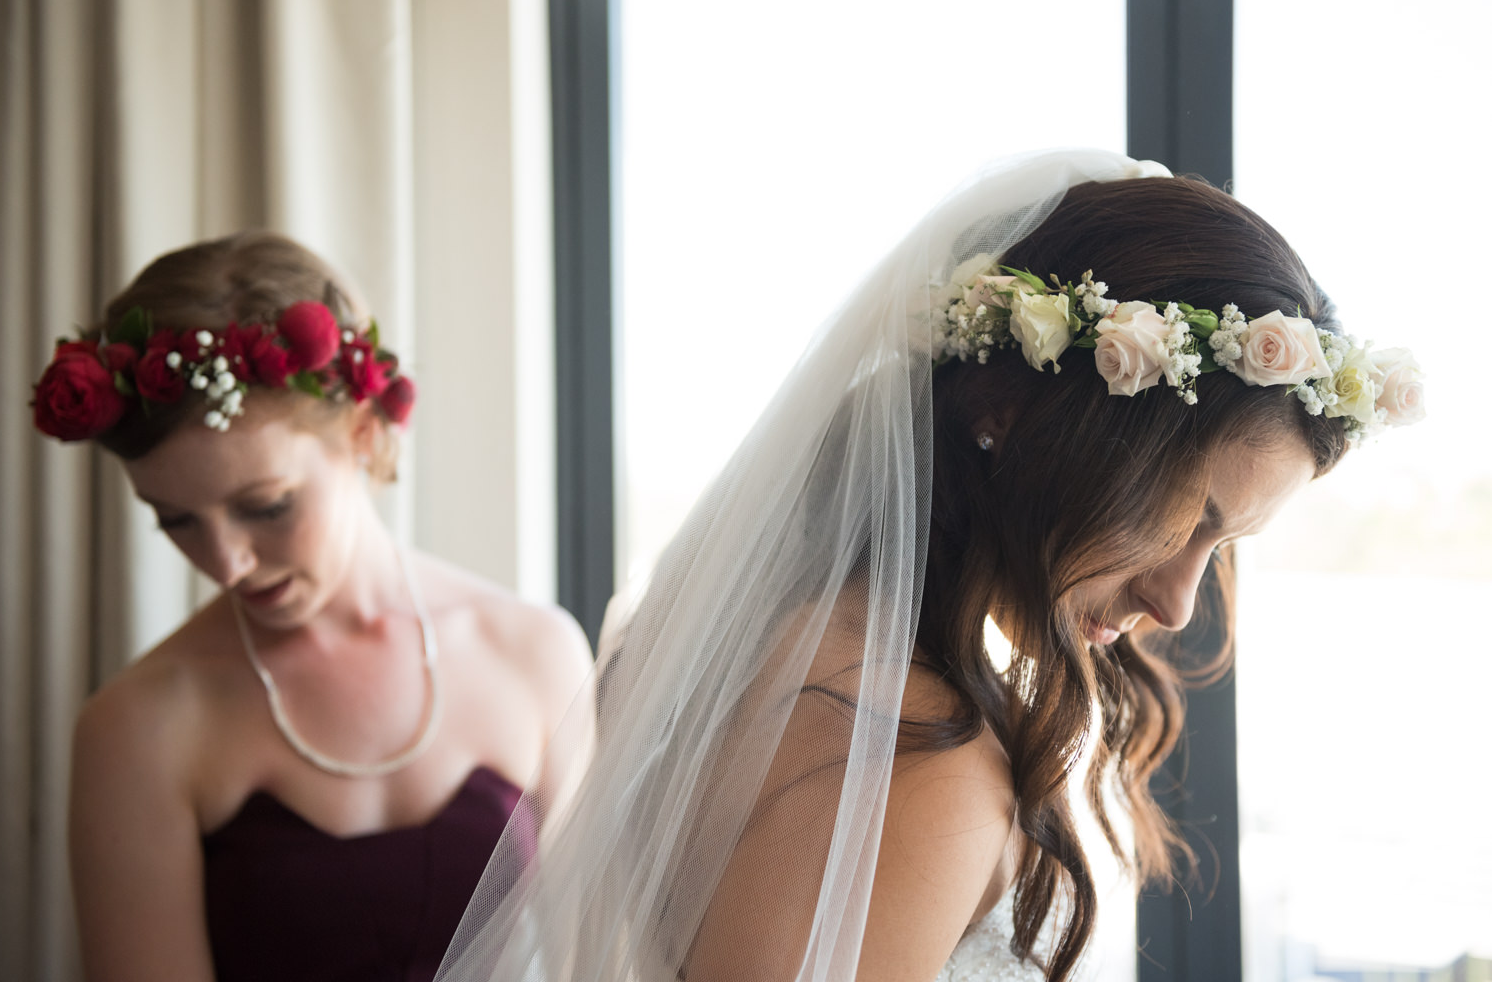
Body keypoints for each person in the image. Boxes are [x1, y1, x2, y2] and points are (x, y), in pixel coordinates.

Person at [431, 150, 1424, 982]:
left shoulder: (778, 648)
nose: (1176, 599)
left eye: (1223, 548)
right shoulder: (913, 750)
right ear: (1011, 412)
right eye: (1181, 519)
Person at [30, 231, 593, 982]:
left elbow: (592, 951)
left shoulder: (536, 653)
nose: (226, 563)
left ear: (363, 433)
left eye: (266, 506)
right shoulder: (137, 727)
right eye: (177, 521)